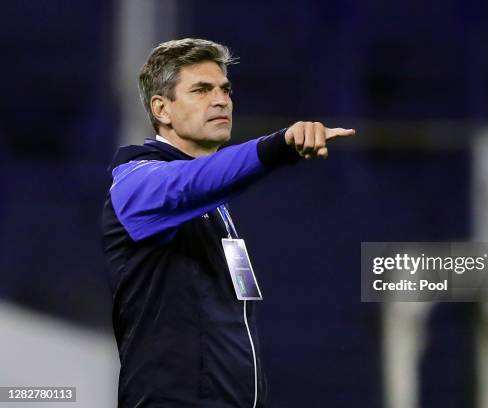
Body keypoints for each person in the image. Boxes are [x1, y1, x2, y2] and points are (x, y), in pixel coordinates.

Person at [101, 38, 355, 407]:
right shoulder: (136, 183)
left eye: (225, 89)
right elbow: (189, 182)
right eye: (201, 90)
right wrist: (279, 145)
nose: (221, 100)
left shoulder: (215, 207)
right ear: (162, 109)